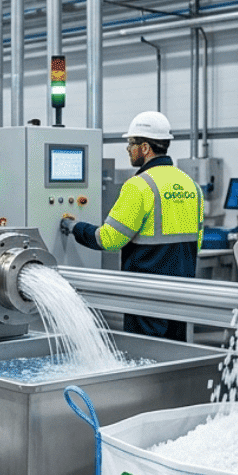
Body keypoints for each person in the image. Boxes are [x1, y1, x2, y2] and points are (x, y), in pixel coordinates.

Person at [61, 110, 203, 340]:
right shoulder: (191, 185)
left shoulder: (139, 185)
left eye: (131, 143)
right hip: (181, 293)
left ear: (145, 148)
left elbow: (108, 239)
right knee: (175, 356)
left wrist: (74, 226)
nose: (128, 149)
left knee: (145, 358)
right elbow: (198, 240)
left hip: (146, 295)